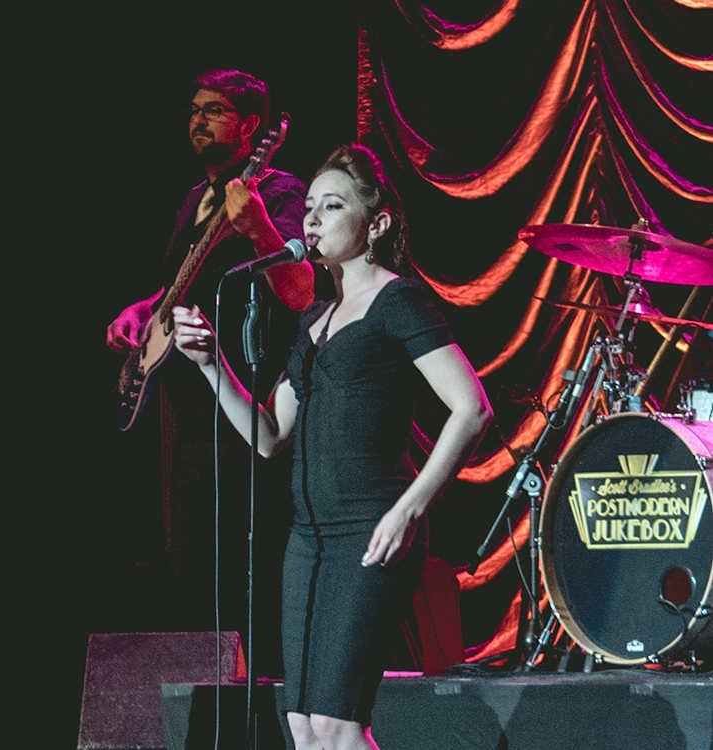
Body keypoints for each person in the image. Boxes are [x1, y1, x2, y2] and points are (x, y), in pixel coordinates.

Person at [173, 143, 492, 750]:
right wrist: (211, 364)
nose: (311, 219)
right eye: (310, 207)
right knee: (304, 726)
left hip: (372, 525)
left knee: (340, 727)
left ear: (377, 224)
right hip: (308, 539)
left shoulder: (399, 301)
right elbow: (269, 437)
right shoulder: (314, 320)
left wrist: (410, 507)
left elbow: (471, 407)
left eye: (332, 205)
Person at [104, 69, 314, 639]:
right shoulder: (195, 199)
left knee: (242, 576)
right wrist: (141, 309)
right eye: (194, 109)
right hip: (188, 417)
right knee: (191, 575)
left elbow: (301, 288)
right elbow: (180, 282)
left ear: (251, 126)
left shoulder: (281, 193)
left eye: (214, 110)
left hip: (246, 406)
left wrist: (262, 229)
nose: (198, 120)